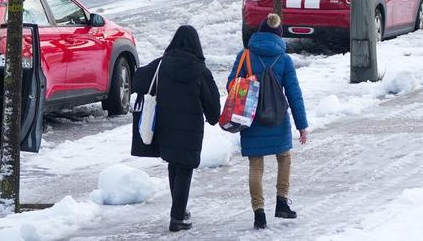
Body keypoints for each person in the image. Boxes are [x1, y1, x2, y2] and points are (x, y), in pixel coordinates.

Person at [132, 25, 220, 233]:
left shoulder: (161, 65)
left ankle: (178, 210)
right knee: (184, 168)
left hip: (165, 126)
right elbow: (213, 106)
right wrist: (214, 118)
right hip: (190, 130)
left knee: (174, 165)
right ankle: (177, 217)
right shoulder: (200, 70)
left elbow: (138, 81)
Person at [228, 13, 309, 230]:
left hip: (251, 118)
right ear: (278, 36)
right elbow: (294, 94)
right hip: (278, 119)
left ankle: (259, 213)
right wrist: (302, 125)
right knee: (284, 157)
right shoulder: (284, 60)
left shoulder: (244, 56)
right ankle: (282, 203)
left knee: (256, 165)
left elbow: (230, 86)